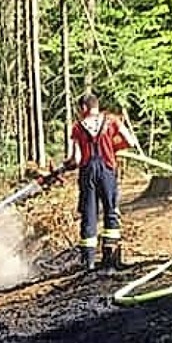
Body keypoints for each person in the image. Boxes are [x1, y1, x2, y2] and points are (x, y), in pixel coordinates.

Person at [65, 95, 137, 271]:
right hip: (107, 169)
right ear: (96, 106)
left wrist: (68, 164)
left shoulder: (77, 127)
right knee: (111, 211)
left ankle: (88, 262)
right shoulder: (112, 120)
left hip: (87, 172)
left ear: (84, 108)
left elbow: (76, 158)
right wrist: (113, 147)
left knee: (89, 215)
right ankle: (109, 259)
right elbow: (131, 142)